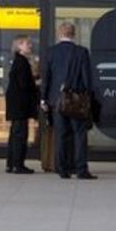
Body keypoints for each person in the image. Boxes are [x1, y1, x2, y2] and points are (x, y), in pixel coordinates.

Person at [41, 22, 96, 180]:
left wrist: (44, 99)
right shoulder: (81, 52)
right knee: (79, 134)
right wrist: (88, 97)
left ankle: (62, 169)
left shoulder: (51, 52)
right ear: (74, 33)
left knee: (61, 135)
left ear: (59, 33)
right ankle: (81, 169)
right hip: (76, 100)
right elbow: (87, 78)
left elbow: (46, 78)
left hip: (56, 100)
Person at [5, 35, 38, 174]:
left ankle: (11, 164)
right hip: (20, 104)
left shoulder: (17, 61)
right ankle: (18, 165)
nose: (30, 46)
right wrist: (36, 85)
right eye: (27, 44)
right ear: (19, 46)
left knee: (15, 134)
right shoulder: (22, 62)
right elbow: (24, 84)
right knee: (20, 135)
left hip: (15, 104)